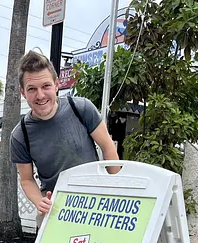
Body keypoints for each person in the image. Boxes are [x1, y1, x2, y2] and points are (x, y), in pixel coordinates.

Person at [10, 51, 120, 226]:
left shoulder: (81, 108)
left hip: (97, 208)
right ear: (23, 92)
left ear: (56, 85)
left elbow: (107, 147)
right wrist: (39, 201)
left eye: (46, 86)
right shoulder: (20, 135)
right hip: (56, 211)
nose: (40, 95)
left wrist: (118, 191)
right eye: (32, 89)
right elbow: (26, 179)